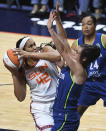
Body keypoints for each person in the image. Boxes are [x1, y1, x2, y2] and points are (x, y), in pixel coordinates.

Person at [47, 4, 100, 130]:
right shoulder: (75, 64)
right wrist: (59, 21)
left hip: (66, 119)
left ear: (84, 59)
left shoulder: (79, 70)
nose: (73, 52)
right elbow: (64, 40)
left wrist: (50, 29)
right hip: (58, 114)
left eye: (76, 52)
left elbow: (62, 50)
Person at [4, 37, 64, 131]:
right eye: (30, 46)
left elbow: (57, 56)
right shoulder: (23, 70)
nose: (35, 47)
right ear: (23, 52)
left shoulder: (45, 50)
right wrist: (14, 73)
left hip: (59, 103)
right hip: (41, 108)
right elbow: (20, 97)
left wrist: (30, 54)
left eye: (34, 44)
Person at [71, 13, 106, 117]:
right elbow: (72, 66)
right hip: (88, 84)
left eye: (89, 24)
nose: (85, 27)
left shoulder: (103, 39)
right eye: (83, 24)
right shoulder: (76, 44)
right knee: (75, 114)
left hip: (104, 81)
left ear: (95, 25)